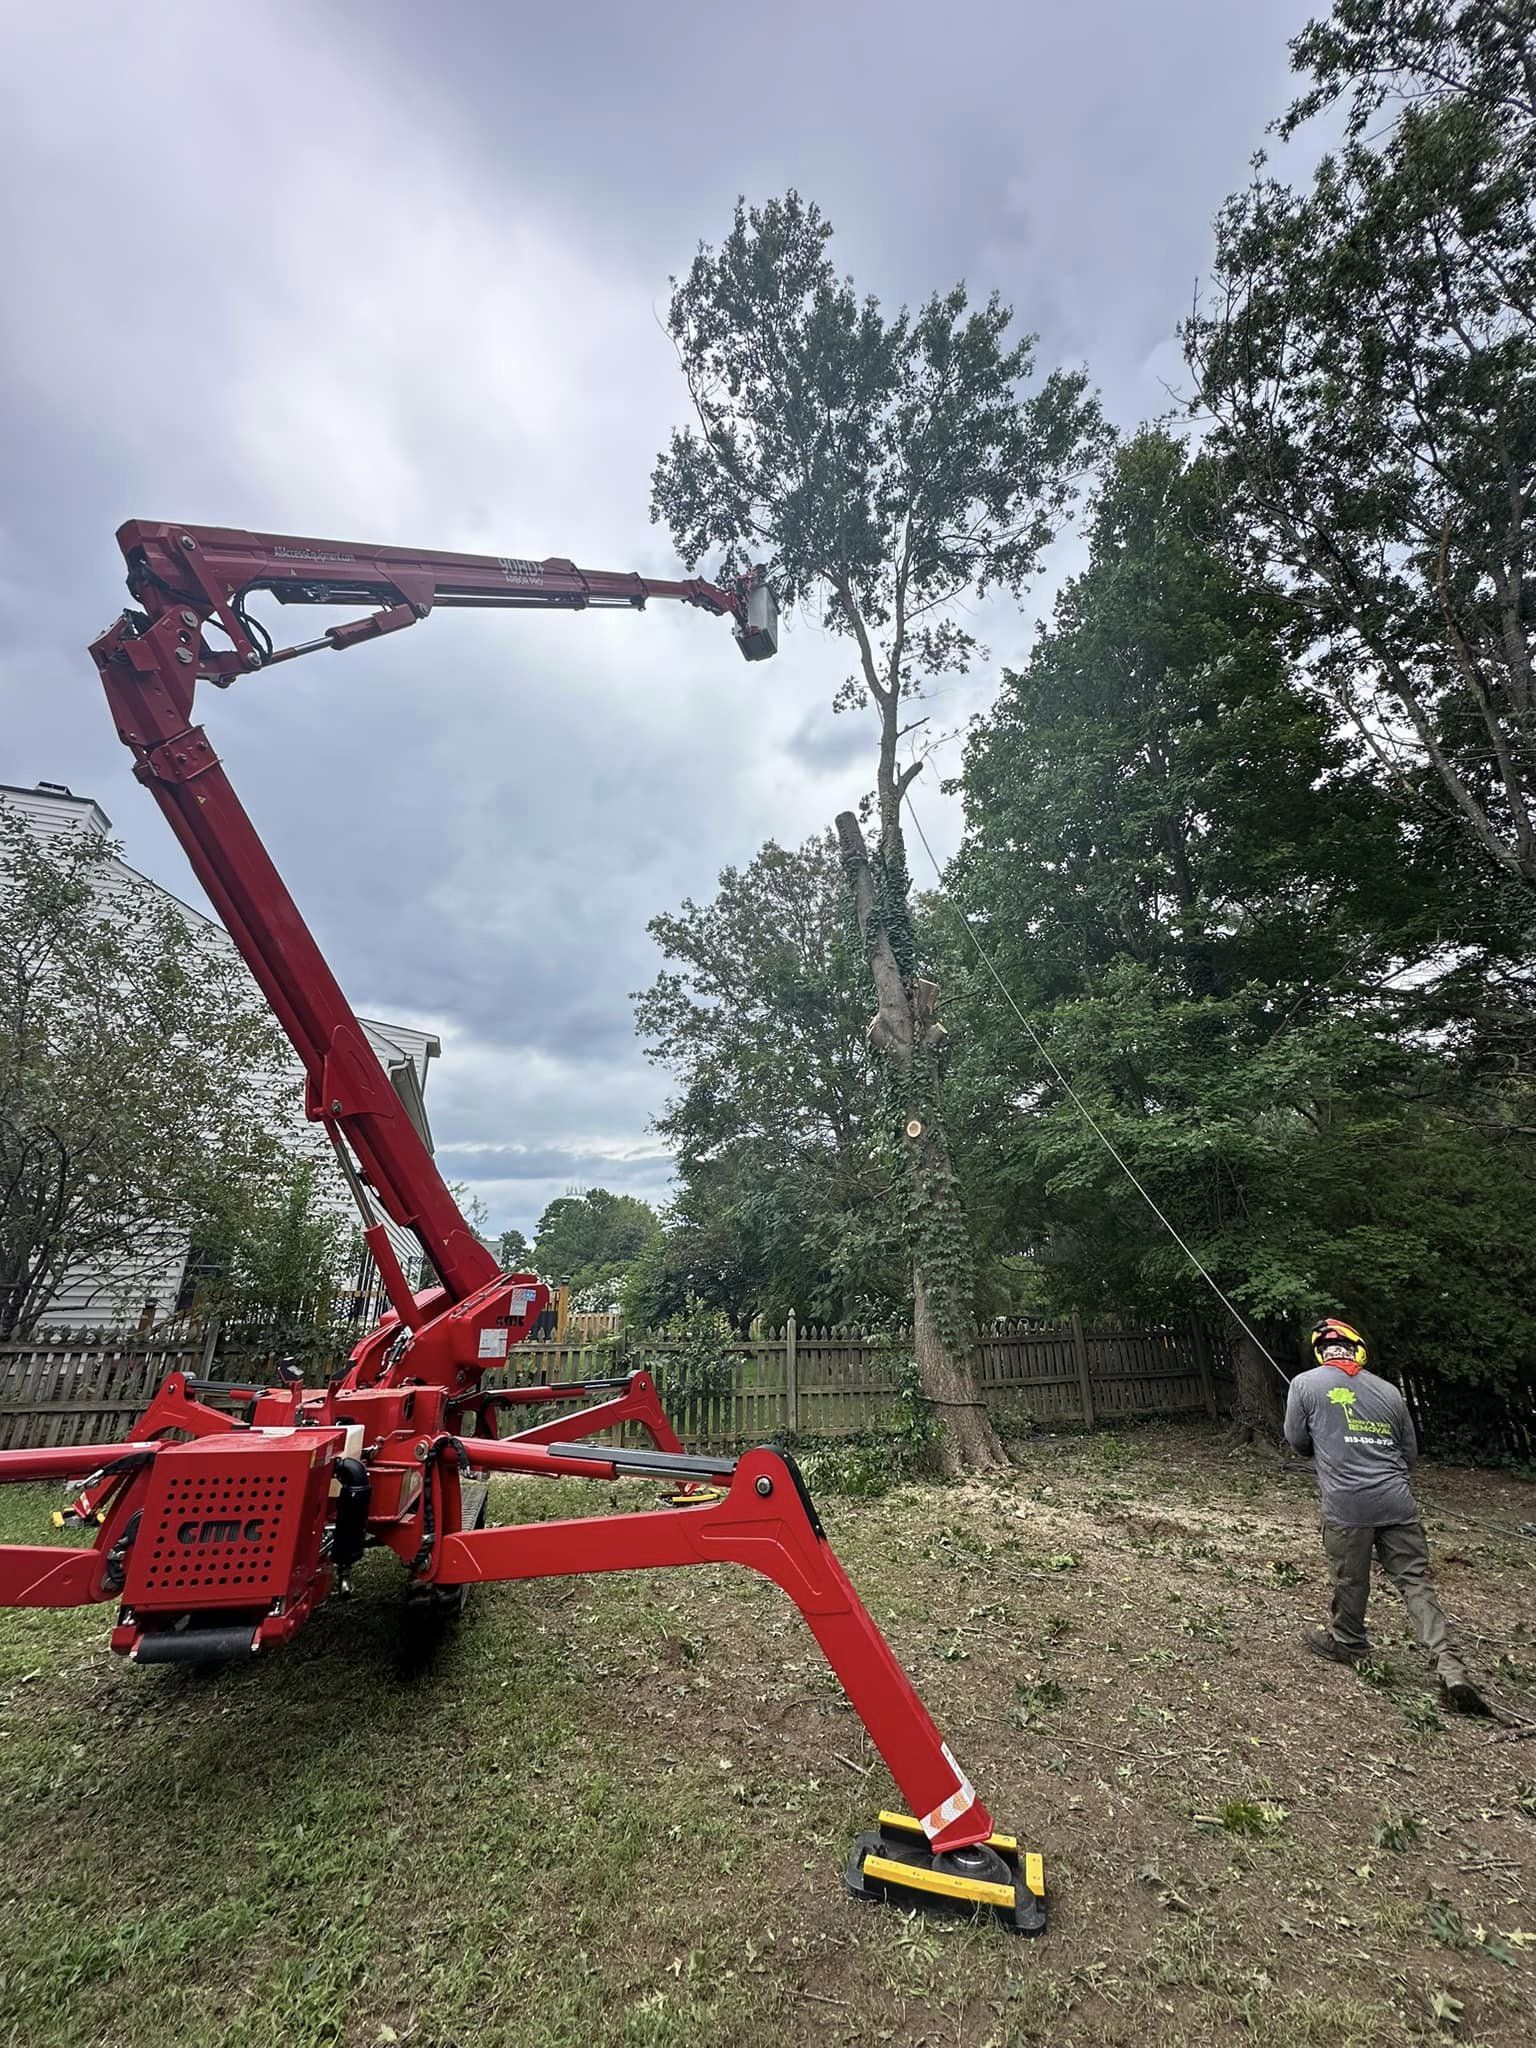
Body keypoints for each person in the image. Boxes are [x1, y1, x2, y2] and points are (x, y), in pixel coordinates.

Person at [1284, 1317, 1488, 1714]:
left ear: (1321, 1351)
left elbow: (1296, 1442)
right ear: (1357, 1349)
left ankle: (1349, 1642)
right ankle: (1450, 1668)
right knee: (1415, 1582)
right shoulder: (1389, 1391)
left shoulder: (1304, 1385)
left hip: (1347, 1507)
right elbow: (1408, 1455)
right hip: (1398, 1503)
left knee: (1351, 1578)